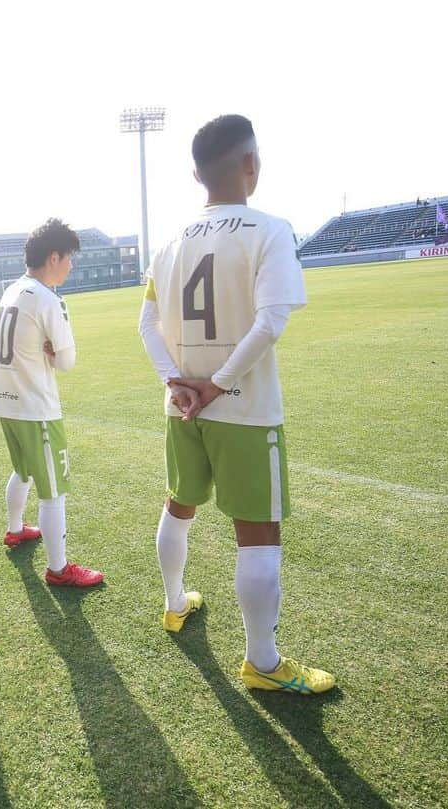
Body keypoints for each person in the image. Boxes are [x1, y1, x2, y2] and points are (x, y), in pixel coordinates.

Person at [138, 114, 335, 694]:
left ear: (196, 173)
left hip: (183, 409)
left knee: (180, 504)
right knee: (258, 532)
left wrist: (178, 381)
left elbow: (146, 324)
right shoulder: (269, 229)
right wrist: (219, 382)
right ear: (250, 164)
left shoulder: (169, 242)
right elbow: (272, 321)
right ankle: (264, 663)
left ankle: (175, 604)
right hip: (242, 408)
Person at [0, 219, 104, 588]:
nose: (71, 265)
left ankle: (15, 530)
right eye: (68, 257)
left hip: (6, 401)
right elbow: (68, 362)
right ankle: (59, 570)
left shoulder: (11, 290)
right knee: (53, 490)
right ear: (53, 256)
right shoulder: (46, 298)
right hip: (34, 404)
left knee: (23, 470)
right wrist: (53, 354)